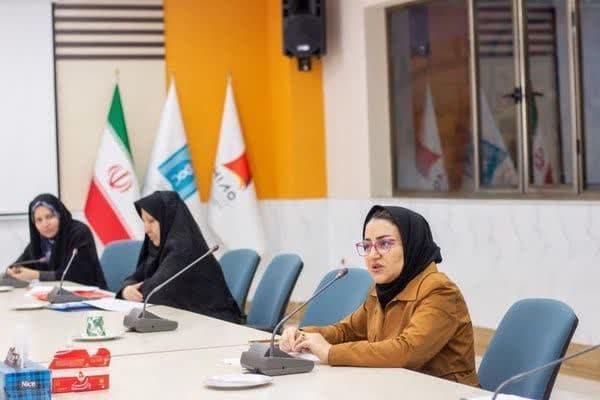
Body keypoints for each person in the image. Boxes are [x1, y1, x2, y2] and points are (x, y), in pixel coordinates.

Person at [280, 205, 479, 387]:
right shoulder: (383, 289)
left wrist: (330, 353)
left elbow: (407, 351)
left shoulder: (439, 291)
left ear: (411, 245)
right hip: (397, 388)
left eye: (384, 244)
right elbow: (346, 331)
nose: (373, 255)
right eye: (367, 246)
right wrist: (303, 336)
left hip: (446, 393)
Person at [117, 191, 243, 324]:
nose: (146, 230)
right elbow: (134, 279)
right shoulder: (157, 247)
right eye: (144, 221)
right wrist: (126, 290)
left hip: (215, 324)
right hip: (185, 321)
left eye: (151, 221)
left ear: (167, 218)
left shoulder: (184, 248)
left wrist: (133, 291)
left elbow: (156, 292)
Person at [6, 194, 107, 288]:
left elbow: (76, 275)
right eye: (39, 220)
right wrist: (12, 271)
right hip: (53, 295)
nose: (45, 224)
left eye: (49, 217)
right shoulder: (39, 241)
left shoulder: (79, 233)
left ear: (60, 215)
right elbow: (18, 265)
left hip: (90, 294)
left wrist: (36, 275)